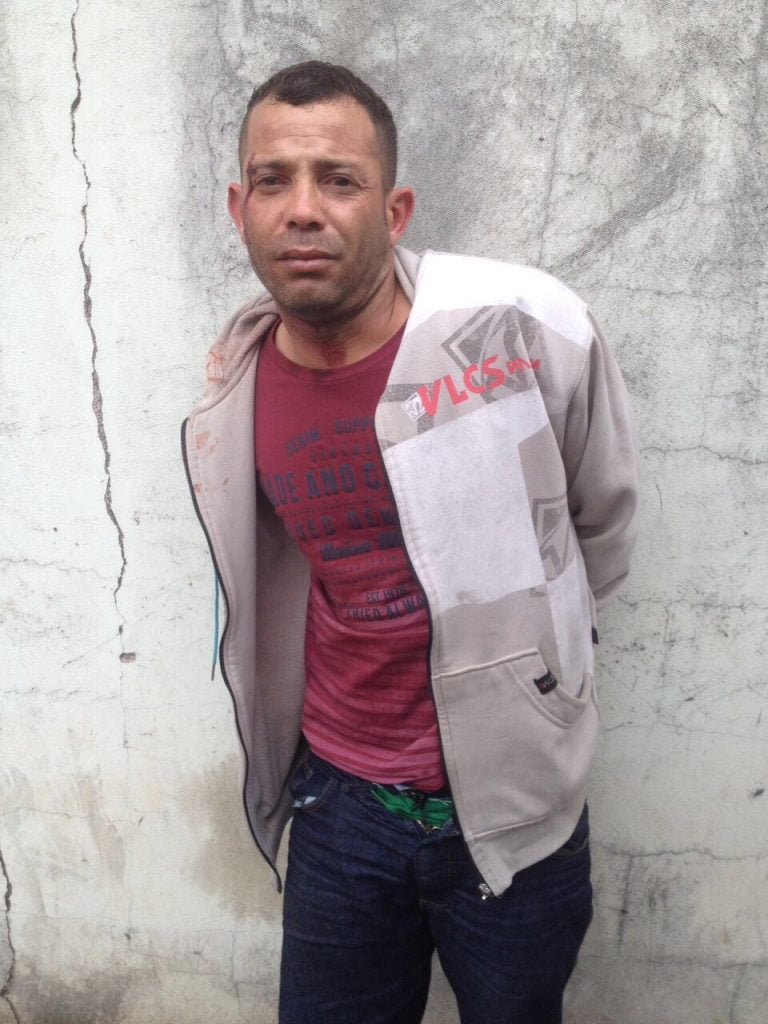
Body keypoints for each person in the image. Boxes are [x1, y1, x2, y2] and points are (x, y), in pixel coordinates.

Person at [182, 60, 639, 1024]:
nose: (303, 210)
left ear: (395, 212)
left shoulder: (518, 326)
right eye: (273, 180)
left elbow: (601, 518)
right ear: (238, 208)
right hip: (340, 806)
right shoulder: (237, 386)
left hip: (518, 807)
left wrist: (537, 678)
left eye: (339, 180)